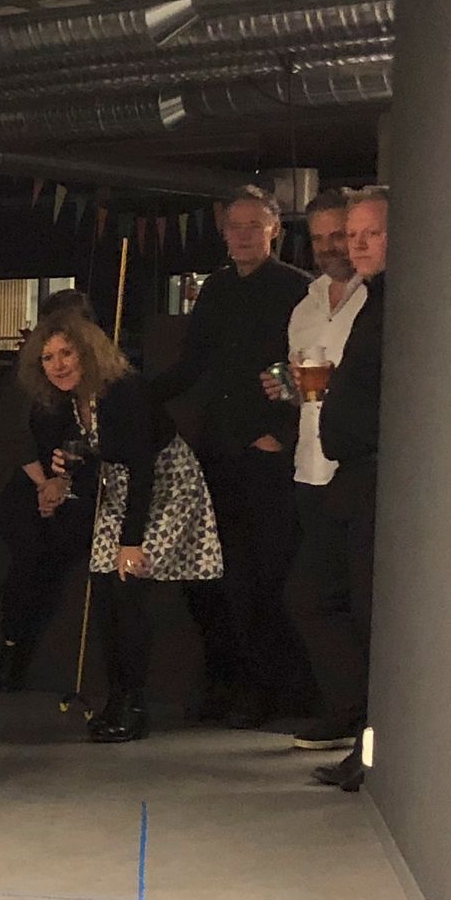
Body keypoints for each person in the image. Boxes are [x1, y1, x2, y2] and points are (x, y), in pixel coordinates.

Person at [147, 186, 311, 728]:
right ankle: (229, 683)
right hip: (216, 450)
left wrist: (280, 434)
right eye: (233, 227)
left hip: (265, 455)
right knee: (211, 577)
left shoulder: (297, 289)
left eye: (253, 226)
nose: (242, 235)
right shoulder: (215, 288)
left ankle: (271, 692)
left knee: (261, 578)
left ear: (274, 231)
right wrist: (133, 391)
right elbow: (192, 364)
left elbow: (312, 370)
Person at [26, 312, 224, 742]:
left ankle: (134, 706)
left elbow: (140, 466)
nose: (58, 365)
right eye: (48, 358)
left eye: (67, 353)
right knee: (104, 594)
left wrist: (131, 542)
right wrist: (61, 476)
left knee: (127, 587)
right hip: (117, 488)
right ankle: (116, 698)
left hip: (163, 485)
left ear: (87, 353)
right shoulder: (59, 404)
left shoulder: (123, 391)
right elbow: (81, 460)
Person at [260, 189, 370, 755]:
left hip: (358, 466)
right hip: (310, 464)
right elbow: (302, 382)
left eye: (342, 235)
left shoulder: (378, 298)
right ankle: (350, 712)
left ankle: (363, 721)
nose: (333, 247)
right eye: (323, 237)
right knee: (310, 596)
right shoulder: (304, 305)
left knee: (346, 599)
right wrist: (284, 385)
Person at [289, 187, 388, 793]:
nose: (355, 244)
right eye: (352, 235)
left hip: (378, 476)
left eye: (370, 233)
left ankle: (370, 746)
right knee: (310, 594)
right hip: (340, 472)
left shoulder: (403, 300)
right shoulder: (376, 299)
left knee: (368, 612)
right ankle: (357, 720)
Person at [0, 288, 100, 691]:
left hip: (63, 477)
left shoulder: (91, 371)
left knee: (62, 544)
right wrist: (44, 484)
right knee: (32, 547)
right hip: (13, 476)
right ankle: (13, 643)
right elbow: (15, 439)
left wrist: (60, 484)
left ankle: (33, 642)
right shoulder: (30, 370)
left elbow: (82, 439)